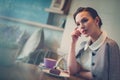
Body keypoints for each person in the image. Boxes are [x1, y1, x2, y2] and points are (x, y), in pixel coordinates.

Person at [67, 7, 120, 80]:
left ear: (97, 20)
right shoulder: (83, 46)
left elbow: (112, 77)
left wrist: (80, 73)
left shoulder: (111, 45)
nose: (81, 26)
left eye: (85, 20)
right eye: (78, 24)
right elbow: (72, 71)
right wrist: (73, 42)